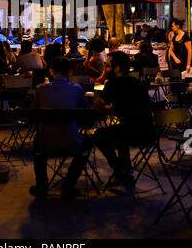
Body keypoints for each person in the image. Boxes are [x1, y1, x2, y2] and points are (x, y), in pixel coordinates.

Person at [92, 51, 156, 186]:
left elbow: (98, 107)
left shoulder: (112, 84)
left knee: (99, 135)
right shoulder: (137, 83)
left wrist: (104, 107)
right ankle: (126, 172)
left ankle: (119, 169)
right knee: (119, 134)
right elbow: (132, 106)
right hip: (150, 132)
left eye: (108, 66)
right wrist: (113, 109)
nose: (105, 68)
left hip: (131, 133)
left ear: (117, 68)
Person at [29, 57, 90, 199]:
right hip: (72, 142)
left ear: (51, 72)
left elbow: (35, 112)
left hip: (45, 142)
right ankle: (69, 184)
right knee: (87, 143)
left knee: (37, 143)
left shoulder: (40, 89)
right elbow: (86, 111)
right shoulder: (77, 89)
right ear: (70, 73)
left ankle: (42, 185)